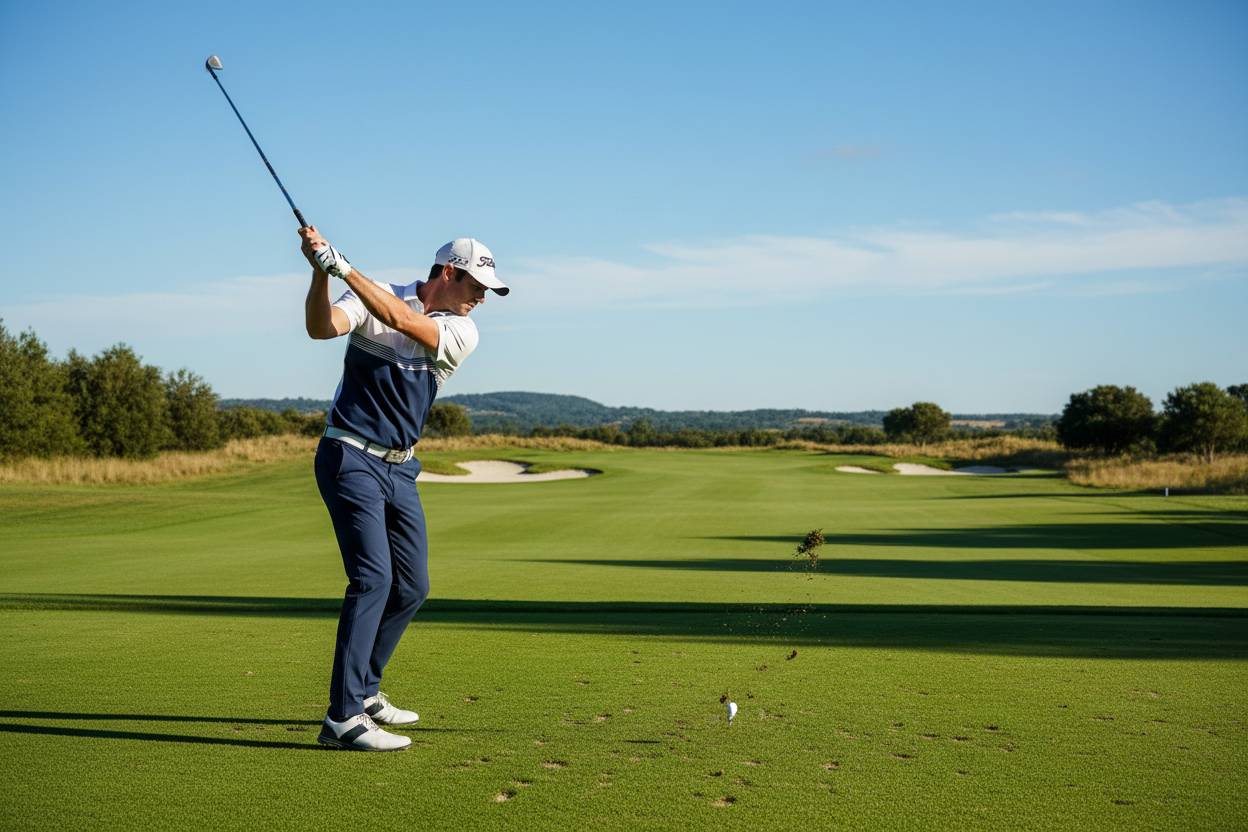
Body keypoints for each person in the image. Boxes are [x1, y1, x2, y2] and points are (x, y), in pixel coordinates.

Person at [298, 225, 508, 751]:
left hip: (400, 468)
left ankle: (365, 691)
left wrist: (341, 266)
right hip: (348, 456)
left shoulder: (461, 331)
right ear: (446, 273)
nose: (482, 298)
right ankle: (342, 718)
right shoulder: (378, 293)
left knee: (412, 587)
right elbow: (322, 329)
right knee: (372, 579)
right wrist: (320, 275)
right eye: (476, 286)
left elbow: (403, 320)